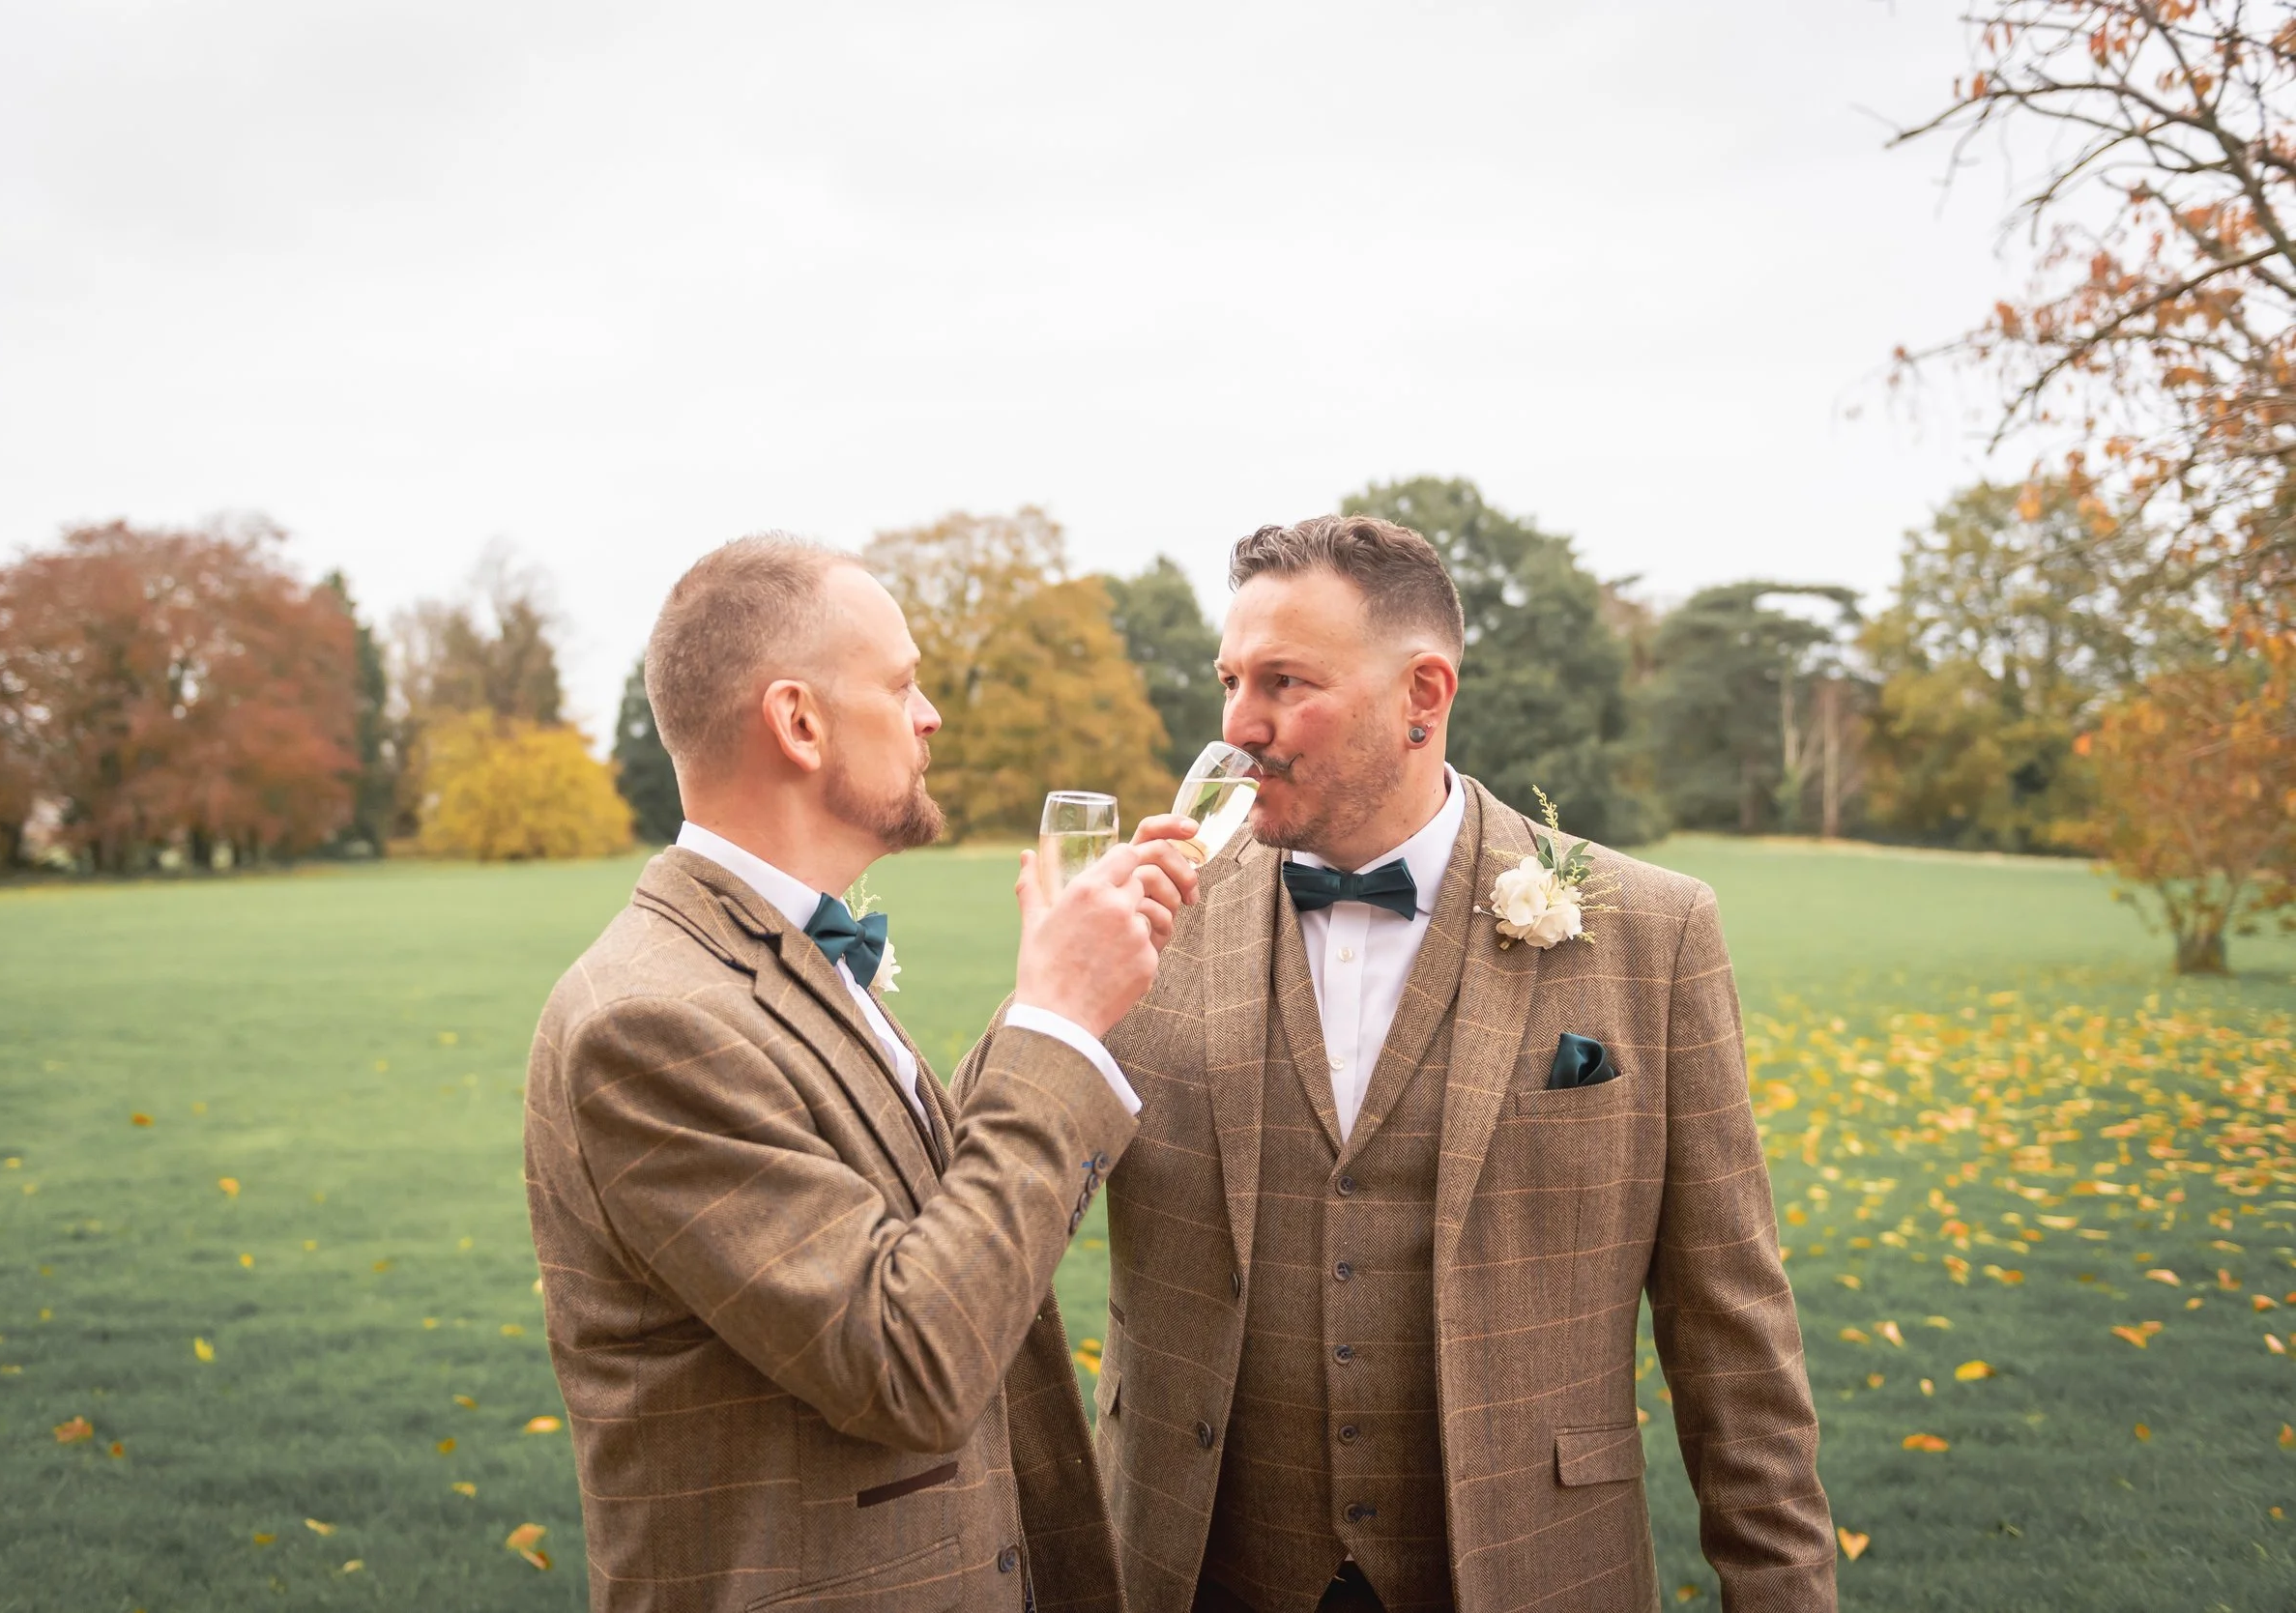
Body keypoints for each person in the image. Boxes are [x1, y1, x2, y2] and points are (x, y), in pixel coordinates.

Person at [959, 515, 1837, 1612]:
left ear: (1424, 695)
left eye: (1283, 681)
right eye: (1228, 680)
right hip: (1196, 1568)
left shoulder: (1652, 935)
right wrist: (1053, 991)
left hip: (1535, 1568)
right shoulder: (1150, 924)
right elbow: (968, 1218)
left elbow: (1734, 1341)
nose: (1238, 724)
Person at [525, 535, 1196, 1612]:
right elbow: (910, 1358)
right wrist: (1054, 1020)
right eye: (901, 683)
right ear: (798, 722)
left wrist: (1070, 994)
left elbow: (935, 1218)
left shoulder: (773, 952)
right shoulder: (651, 1021)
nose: (929, 714)